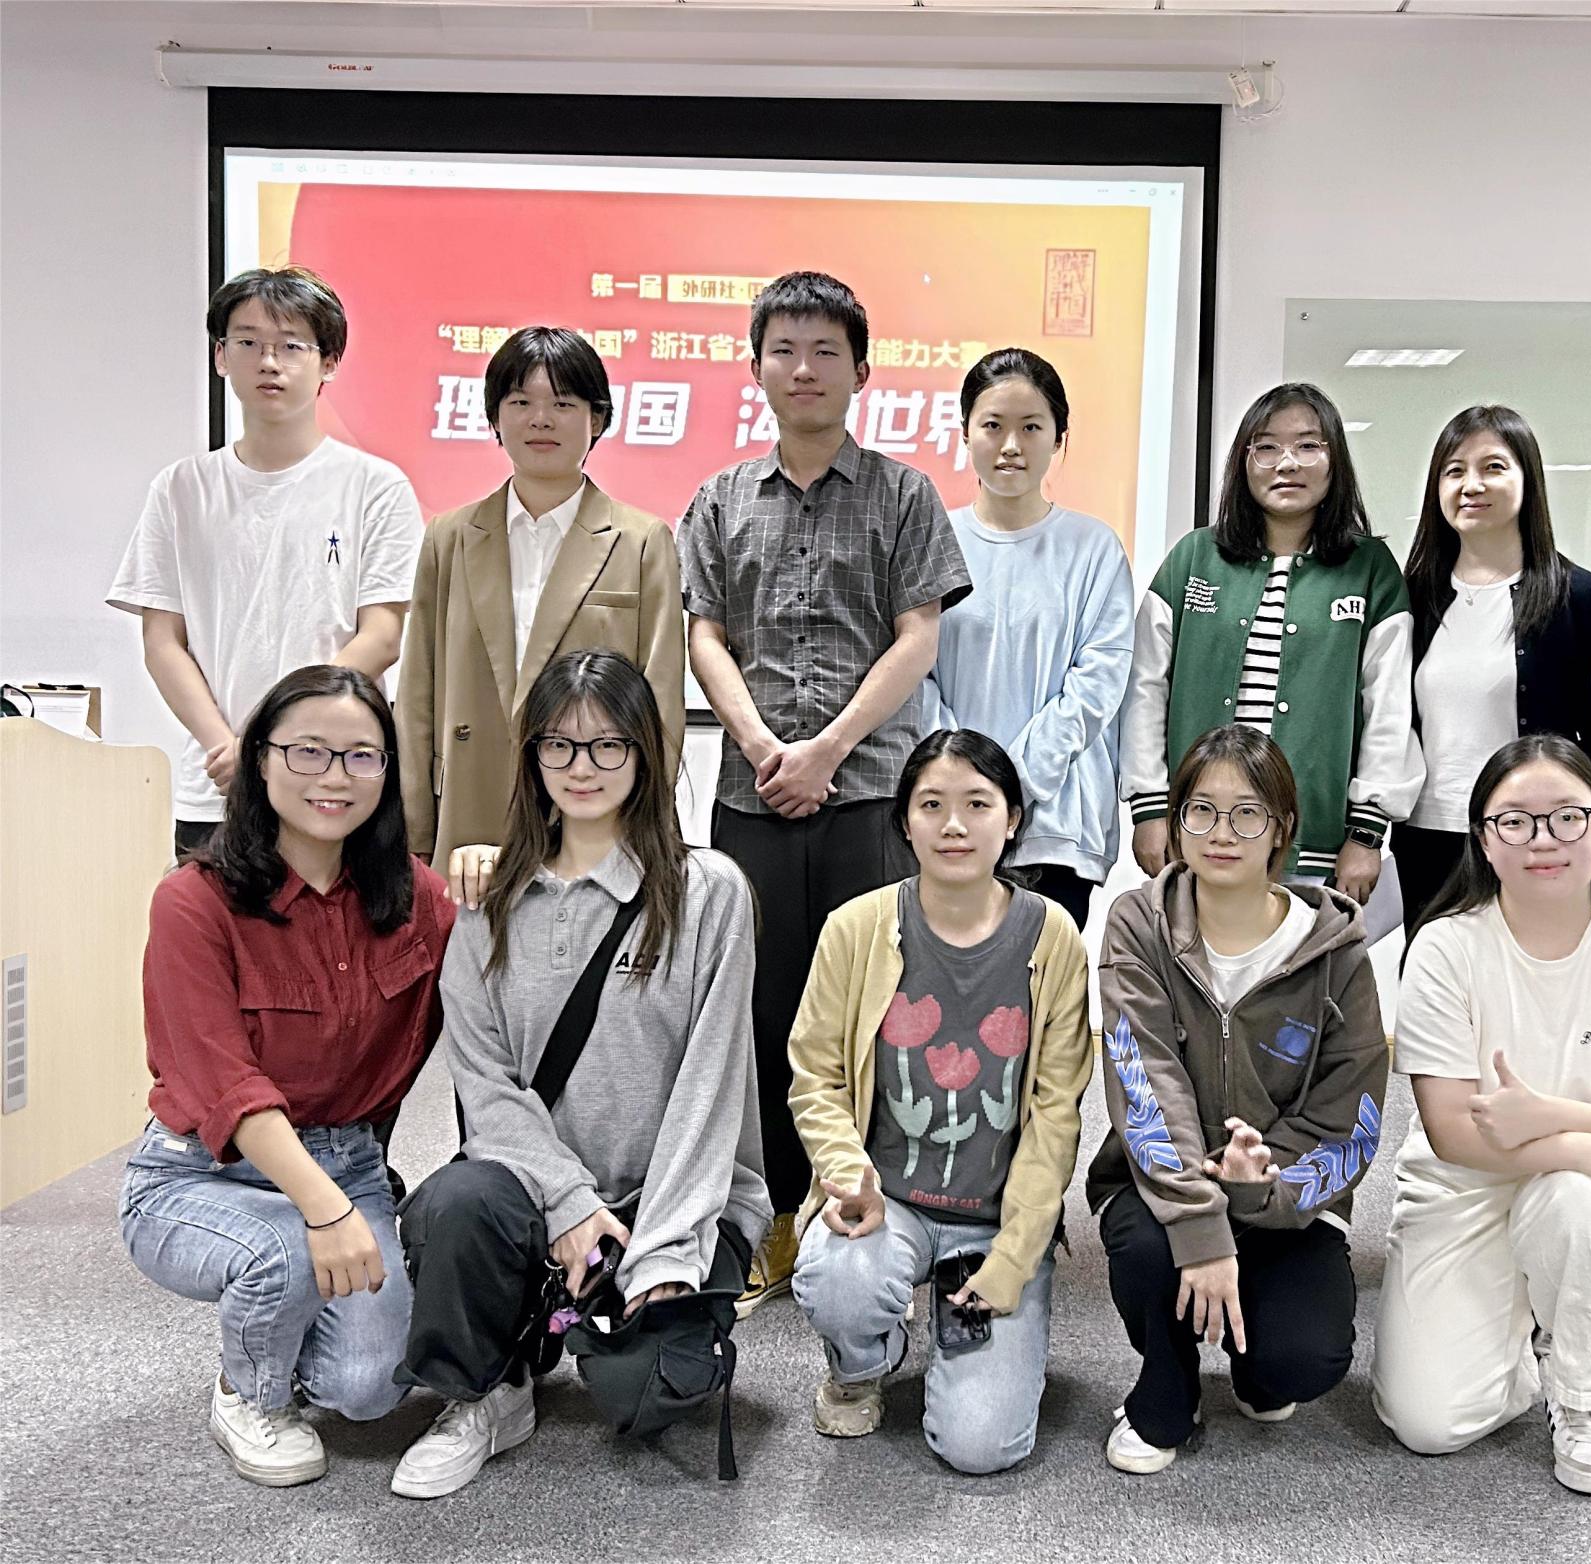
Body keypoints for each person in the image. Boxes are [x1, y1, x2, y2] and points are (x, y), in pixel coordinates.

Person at [391, 650, 769, 1499]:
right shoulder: (488, 906)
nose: (582, 767)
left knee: (644, 1392)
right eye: (558, 745)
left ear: (644, 753)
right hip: (539, 1194)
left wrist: (663, 1255)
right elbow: (485, 1085)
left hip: (671, 1197)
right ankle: (485, 1394)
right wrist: (567, 1205)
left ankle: (585, 1309)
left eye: (607, 745)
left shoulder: (709, 892)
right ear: (531, 757)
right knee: (455, 1204)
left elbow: (712, 1089)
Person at [679, 271, 972, 1311]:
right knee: (759, 1011)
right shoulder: (718, 499)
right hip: (749, 793)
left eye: (824, 352)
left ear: (860, 370)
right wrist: (765, 744)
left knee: (876, 1009)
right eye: (784, 350)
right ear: (755, 365)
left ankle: (865, 1208)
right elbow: (704, 636)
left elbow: (917, 638)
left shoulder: (903, 495)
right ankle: (768, 1215)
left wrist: (827, 750)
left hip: (870, 796)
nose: (803, 369)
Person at [119, 664, 454, 1487]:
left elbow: (493, 974)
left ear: (387, 772)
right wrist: (325, 1210)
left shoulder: (416, 897)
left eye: (360, 756)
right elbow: (227, 1087)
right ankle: (250, 1393)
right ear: (260, 759)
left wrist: (493, 867)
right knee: (288, 1254)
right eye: (307, 751)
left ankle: (286, 1325)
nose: (334, 776)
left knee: (370, 1388)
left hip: (349, 1162)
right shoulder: (193, 901)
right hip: (200, 1174)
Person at [1372, 736, 1591, 1497]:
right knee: (1429, 1423)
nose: (1543, 840)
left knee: (1577, 1203)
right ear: (1483, 838)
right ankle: (1522, 1326)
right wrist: (1584, 1144)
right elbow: (1452, 1132)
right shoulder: (1444, 946)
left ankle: (1583, 1393)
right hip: (1464, 1187)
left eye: (1567, 817)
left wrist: (1544, 1120)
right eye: (1515, 822)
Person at [784, 730, 1093, 1474]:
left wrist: (1014, 1257)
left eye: (977, 804)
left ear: (1012, 820)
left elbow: (1056, 1114)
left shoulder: (1053, 936)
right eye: (931, 805)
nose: (954, 825)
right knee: (841, 1283)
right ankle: (865, 1361)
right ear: (905, 821)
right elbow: (815, 1076)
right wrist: (846, 1175)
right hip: (886, 1204)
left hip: (993, 1221)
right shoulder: (856, 929)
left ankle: (973, 1335)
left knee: (982, 1447)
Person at [1085, 723, 1389, 1474]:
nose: (1222, 833)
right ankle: (1169, 1385)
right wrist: (1203, 1225)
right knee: (1149, 1254)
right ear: (1177, 821)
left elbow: (1350, 1117)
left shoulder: (1336, 950)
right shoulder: (1139, 923)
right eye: (1202, 810)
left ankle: (1256, 1366)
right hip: (1159, 1187)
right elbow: (1145, 1078)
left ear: (1282, 827)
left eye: (1247, 813)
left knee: (1304, 1361)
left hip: (1283, 1193)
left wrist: (1261, 1183)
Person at [107, 267, 424, 860]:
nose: (269, 362)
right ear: (220, 356)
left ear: (329, 362)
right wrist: (231, 747)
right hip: (218, 785)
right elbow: (162, 642)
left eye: (291, 346)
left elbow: (381, 637)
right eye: (248, 342)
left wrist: (275, 741)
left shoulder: (374, 486)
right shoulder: (181, 489)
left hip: (336, 782)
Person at [1121, 383, 1422, 903]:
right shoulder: (1193, 558)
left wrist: (1367, 832)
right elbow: (1145, 689)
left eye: (1308, 445)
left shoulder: (1370, 570)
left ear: (1335, 460)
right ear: (1244, 461)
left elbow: (1388, 708)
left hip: (1314, 839)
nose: (1287, 463)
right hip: (1200, 832)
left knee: (1302, 956)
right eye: (1267, 446)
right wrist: (1149, 807)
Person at [396, 326, 684, 870]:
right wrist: (415, 827)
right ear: (494, 418)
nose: (541, 419)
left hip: (594, 808)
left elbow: (662, 697)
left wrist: (646, 822)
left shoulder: (641, 540)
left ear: (596, 419)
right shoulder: (449, 537)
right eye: (520, 402)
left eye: (563, 403)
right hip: (470, 805)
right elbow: (416, 694)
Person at [925, 348, 1135, 935]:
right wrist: (962, 784)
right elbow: (914, 676)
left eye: (1031, 427)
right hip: (946, 821)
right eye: (993, 426)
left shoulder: (1094, 549)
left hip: (1056, 825)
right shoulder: (934, 540)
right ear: (966, 433)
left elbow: (1097, 682)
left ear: (1059, 437)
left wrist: (1009, 782)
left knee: (1042, 984)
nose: (1011, 445)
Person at [1394, 405, 1591, 938]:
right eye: (1454, 471)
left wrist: (1563, 813)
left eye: (1493, 467)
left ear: (1527, 480)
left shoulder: (1574, 594)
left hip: (1534, 840)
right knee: (1436, 974)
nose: (1472, 485)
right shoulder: (1412, 595)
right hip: (1429, 834)